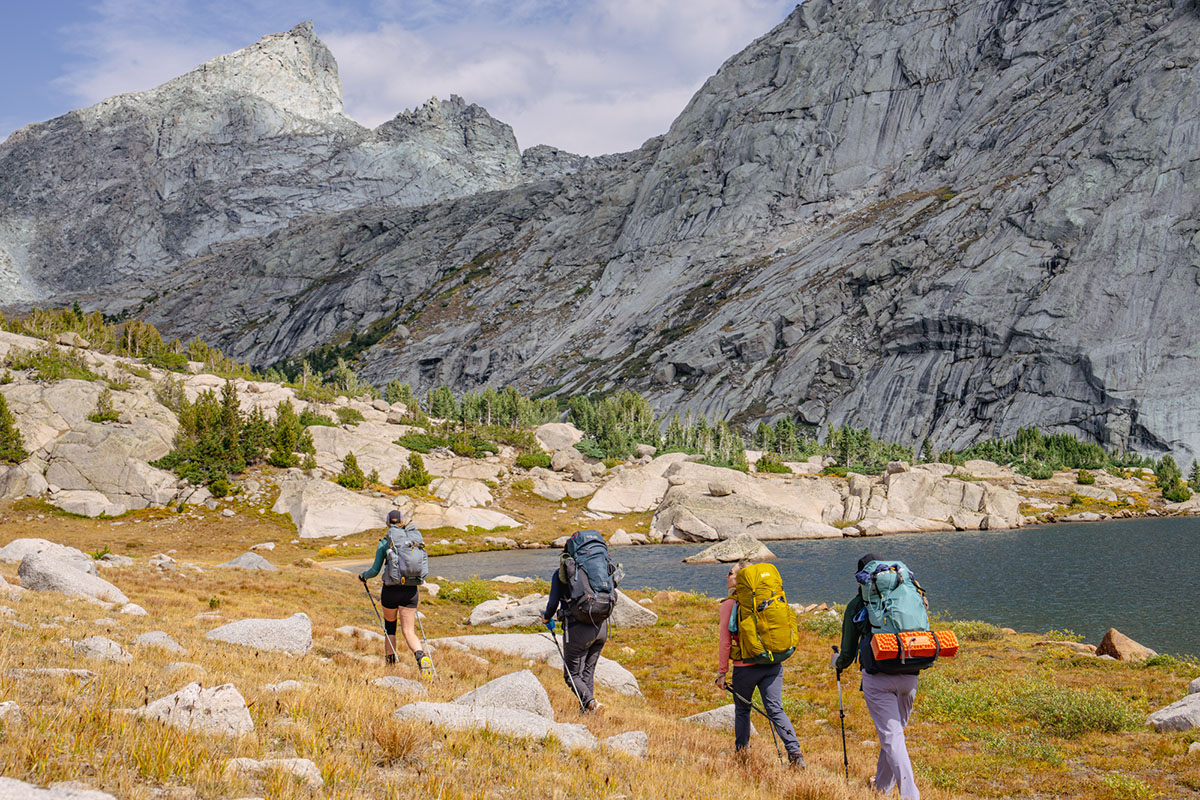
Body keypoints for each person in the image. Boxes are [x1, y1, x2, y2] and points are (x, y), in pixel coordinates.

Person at [833, 553, 920, 799]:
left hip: (878, 678)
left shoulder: (858, 603)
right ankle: (882, 787)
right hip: (910, 672)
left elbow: (847, 654)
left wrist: (836, 662)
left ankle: (910, 795)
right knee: (893, 735)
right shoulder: (906, 594)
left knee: (892, 737)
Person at [716, 561, 805, 766]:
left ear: (740, 579)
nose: (726, 577)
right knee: (775, 709)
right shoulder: (767, 599)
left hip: (745, 666)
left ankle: (741, 755)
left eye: (730, 573)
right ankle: (795, 754)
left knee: (742, 710)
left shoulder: (729, 605)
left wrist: (722, 673)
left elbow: (725, 641)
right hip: (772, 664)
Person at [359, 509, 433, 677]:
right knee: (409, 631)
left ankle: (390, 667)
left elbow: (374, 570)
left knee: (390, 628)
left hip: (391, 591)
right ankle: (421, 657)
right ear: (402, 521)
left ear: (388, 523)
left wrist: (363, 576)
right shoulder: (413, 539)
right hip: (410, 591)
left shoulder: (386, 542)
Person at [541, 544, 607, 713]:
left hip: (578, 630)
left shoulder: (563, 573)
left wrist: (547, 617)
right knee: (587, 673)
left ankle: (592, 704)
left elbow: (553, 603)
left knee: (572, 676)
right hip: (601, 627)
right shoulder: (597, 570)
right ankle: (588, 713)